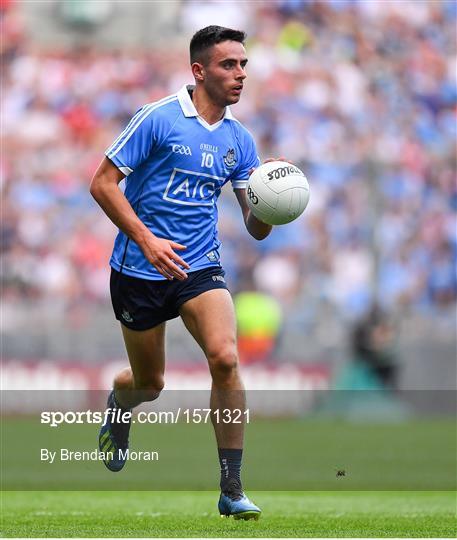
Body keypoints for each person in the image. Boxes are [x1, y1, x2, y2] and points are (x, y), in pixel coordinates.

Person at [90, 25, 282, 520]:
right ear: (199, 71)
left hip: (199, 267)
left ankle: (231, 487)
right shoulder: (157, 118)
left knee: (225, 358)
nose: (240, 74)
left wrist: (273, 196)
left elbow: (256, 228)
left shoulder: (240, 139)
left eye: (243, 64)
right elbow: (103, 184)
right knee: (150, 384)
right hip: (139, 267)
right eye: (228, 65)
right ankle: (119, 404)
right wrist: (146, 240)